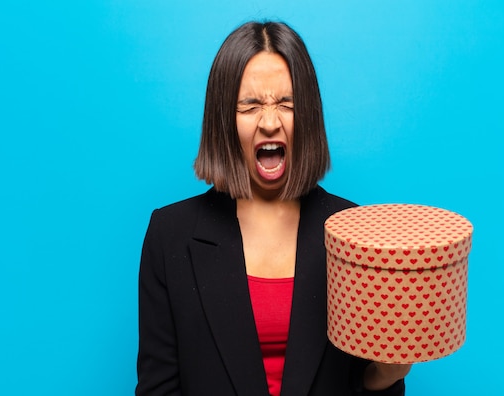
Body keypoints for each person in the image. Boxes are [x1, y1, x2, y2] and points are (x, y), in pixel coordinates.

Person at [136, 21, 412, 395]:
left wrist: (386, 375)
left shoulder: (355, 236)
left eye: (287, 104)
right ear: (223, 120)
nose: (270, 122)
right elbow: (158, 388)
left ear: (309, 116)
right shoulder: (170, 235)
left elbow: (367, 385)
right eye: (250, 106)